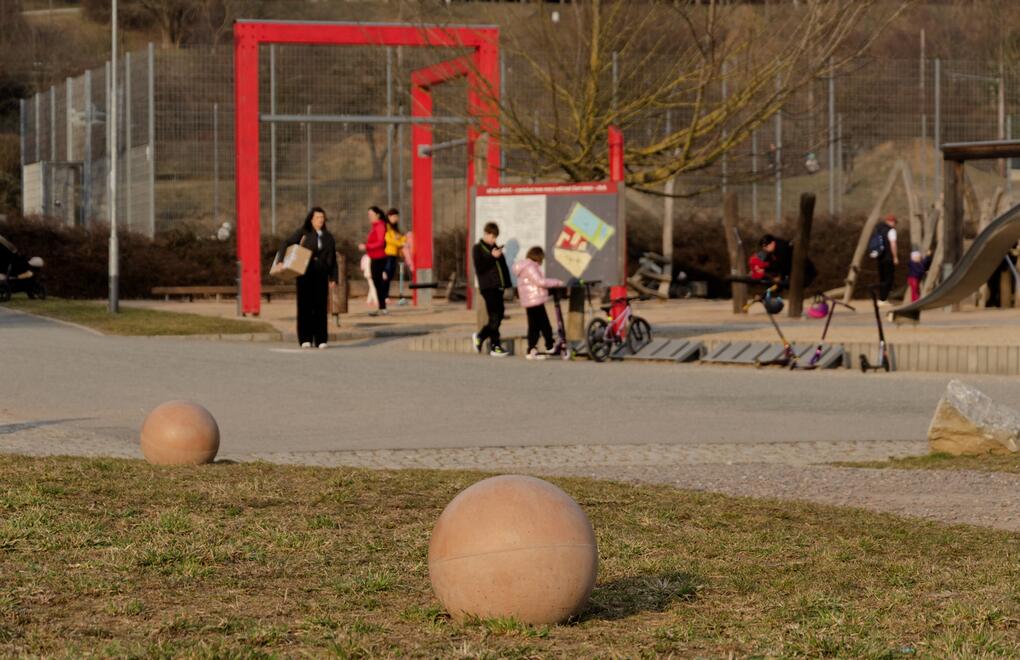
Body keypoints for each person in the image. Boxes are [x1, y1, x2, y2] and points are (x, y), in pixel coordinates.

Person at [277, 207, 337, 348]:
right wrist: (280, 260)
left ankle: (321, 339)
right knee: (305, 306)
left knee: (320, 307)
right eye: (317, 217)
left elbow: (333, 259)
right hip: (305, 273)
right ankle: (305, 338)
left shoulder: (328, 236)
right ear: (311, 219)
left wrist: (333, 277)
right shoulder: (303, 233)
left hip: (321, 274)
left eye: (322, 217)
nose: (320, 220)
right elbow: (286, 243)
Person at [511, 246, 564, 360]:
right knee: (545, 325)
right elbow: (540, 282)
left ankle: (531, 348)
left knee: (534, 326)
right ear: (538, 257)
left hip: (529, 300)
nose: (542, 262)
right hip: (535, 300)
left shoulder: (524, 266)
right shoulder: (530, 267)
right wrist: (557, 282)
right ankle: (549, 346)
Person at [472, 222, 512, 357]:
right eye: (492, 237)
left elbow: (503, 268)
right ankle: (493, 344)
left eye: (496, 237)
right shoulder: (478, 249)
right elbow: (480, 267)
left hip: (498, 287)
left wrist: (507, 284)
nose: (494, 240)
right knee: (495, 316)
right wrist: (492, 257)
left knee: (499, 315)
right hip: (487, 287)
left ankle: (483, 338)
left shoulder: (495, 248)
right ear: (486, 234)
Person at [359, 206, 390, 316]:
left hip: (379, 257)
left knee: (378, 282)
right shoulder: (376, 226)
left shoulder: (380, 226)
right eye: (369, 215)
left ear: (378, 215)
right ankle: (381, 307)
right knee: (376, 282)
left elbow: (381, 242)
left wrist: (367, 246)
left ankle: (383, 307)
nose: (369, 217)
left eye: (371, 215)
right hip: (374, 257)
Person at [875, 214, 899, 304]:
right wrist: (895, 257)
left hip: (879, 256)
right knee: (888, 279)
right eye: (894, 222)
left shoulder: (879, 229)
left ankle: (881, 298)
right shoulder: (891, 231)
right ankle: (883, 299)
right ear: (892, 222)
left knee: (881, 278)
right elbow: (893, 244)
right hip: (888, 257)